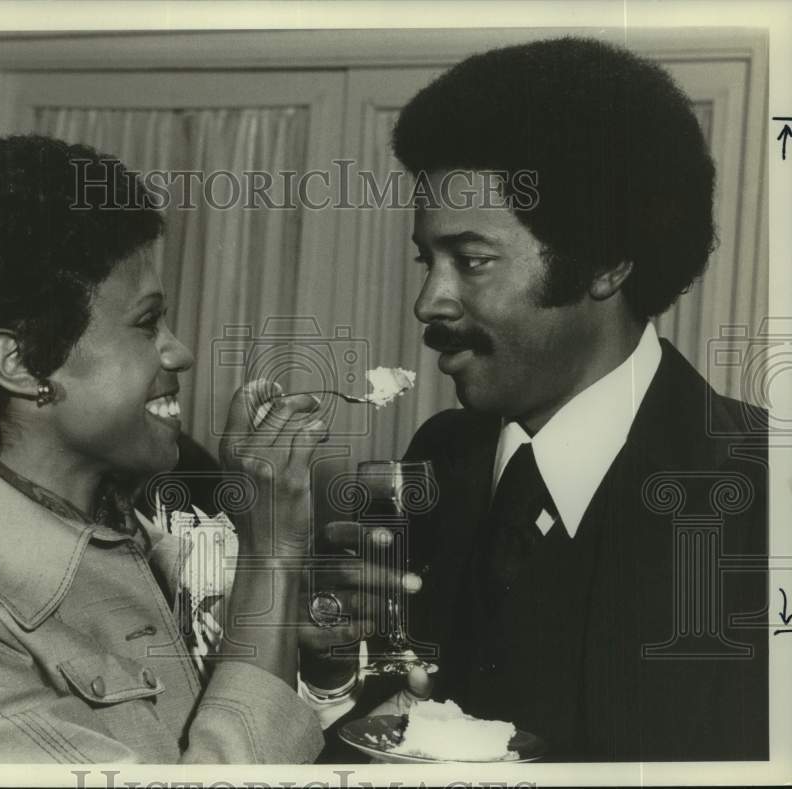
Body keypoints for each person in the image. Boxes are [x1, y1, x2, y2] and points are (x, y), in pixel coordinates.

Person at [318, 37, 769, 761]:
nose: (428, 301)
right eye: (425, 261)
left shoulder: (761, 493)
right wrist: (326, 663)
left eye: (471, 261)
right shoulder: (434, 459)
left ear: (606, 261)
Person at [0, 134, 331, 763]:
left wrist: (289, 635)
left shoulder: (129, 527)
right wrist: (271, 558)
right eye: (147, 323)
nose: (180, 353)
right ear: (23, 363)